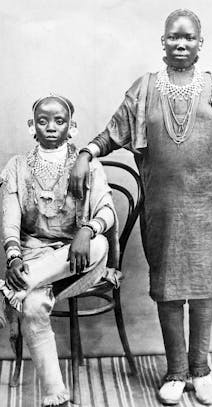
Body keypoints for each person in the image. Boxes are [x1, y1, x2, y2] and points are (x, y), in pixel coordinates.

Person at [69, 9, 212, 406]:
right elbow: (113, 133)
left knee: (201, 294)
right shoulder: (144, 89)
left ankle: (202, 370)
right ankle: (176, 373)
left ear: (201, 43)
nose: (181, 44)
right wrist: (85, 154)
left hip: (206, 206)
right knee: (168, 293)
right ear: (162, 42)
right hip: (161, 208)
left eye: (189, 38)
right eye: (174, 38)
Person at [0, 94, 120, 407]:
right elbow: (10, 221)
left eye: (59, 121)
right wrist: (13, 257)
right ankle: (57, 398)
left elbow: (106, 211)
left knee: (100, 242)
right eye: (43, 121)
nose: (51, 127)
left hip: (77, 260)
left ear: (72, 127)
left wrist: (86, 230)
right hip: (35, 258)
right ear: (31, 126)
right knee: (33, 306)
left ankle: (8, 293)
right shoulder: (16, 166)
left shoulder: (87, 166)